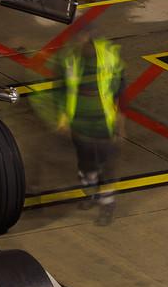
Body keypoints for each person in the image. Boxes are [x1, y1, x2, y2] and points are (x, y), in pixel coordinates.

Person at [35, 29, 126, 222]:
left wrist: (120, 119)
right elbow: (59, 89)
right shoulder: (69, 60)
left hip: (103, 122)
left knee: (107, 165)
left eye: (80, 37)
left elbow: (120, 88)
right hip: (79, 123)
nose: (77, 42)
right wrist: (62, 118)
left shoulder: (108, 56)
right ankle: (90, 193)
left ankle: (107, 205)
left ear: (90, 38)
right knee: (86, 165)